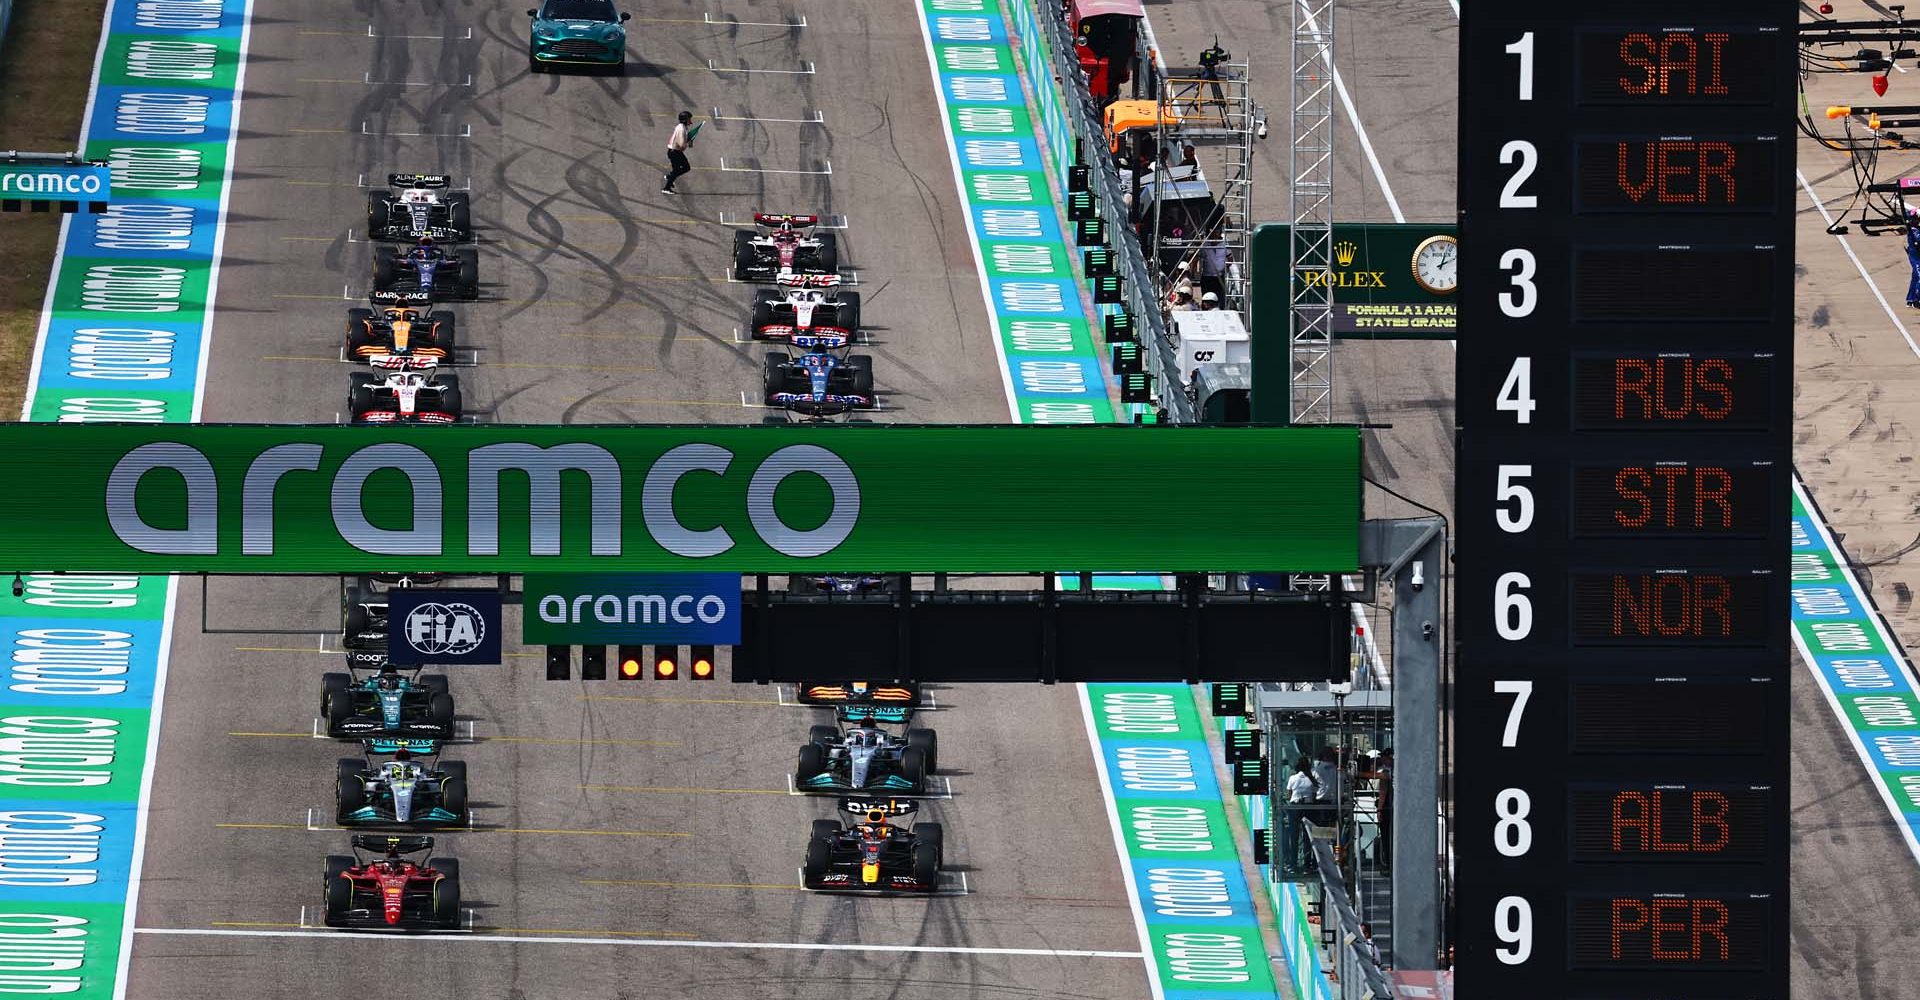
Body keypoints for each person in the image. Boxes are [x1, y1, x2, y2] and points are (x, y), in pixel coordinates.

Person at [1280, 756, 1318, 872]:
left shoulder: (1293, 778)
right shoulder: (1311, 779)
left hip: (1295, 807)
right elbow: (1315, 794)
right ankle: (1308, 863)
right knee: (1308, 836)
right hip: (1308, 807)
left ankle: (1293, 863)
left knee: (1294, 836)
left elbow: (1289, 793)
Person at [662, 110, 696, 194]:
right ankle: (666, 188)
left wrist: (689, 139)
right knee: (677, 170)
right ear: (685, 120)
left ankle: (670, 176)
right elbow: (681, 144)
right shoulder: (681, 129)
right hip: (674, 152)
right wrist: (688, 143)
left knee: (685, 167)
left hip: (675, 152)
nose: (690, 121)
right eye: (689, 119)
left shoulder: (683, 127)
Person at [1375, 748, 1394, 871]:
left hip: (1387, 809)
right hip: (1395, 809)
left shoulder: (1385, 773)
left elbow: (1383, 792)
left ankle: (1388, 863)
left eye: (1384, 758)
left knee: (1386, 837)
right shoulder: (1399, 770)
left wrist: (1379, 810)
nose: (1382, 760)